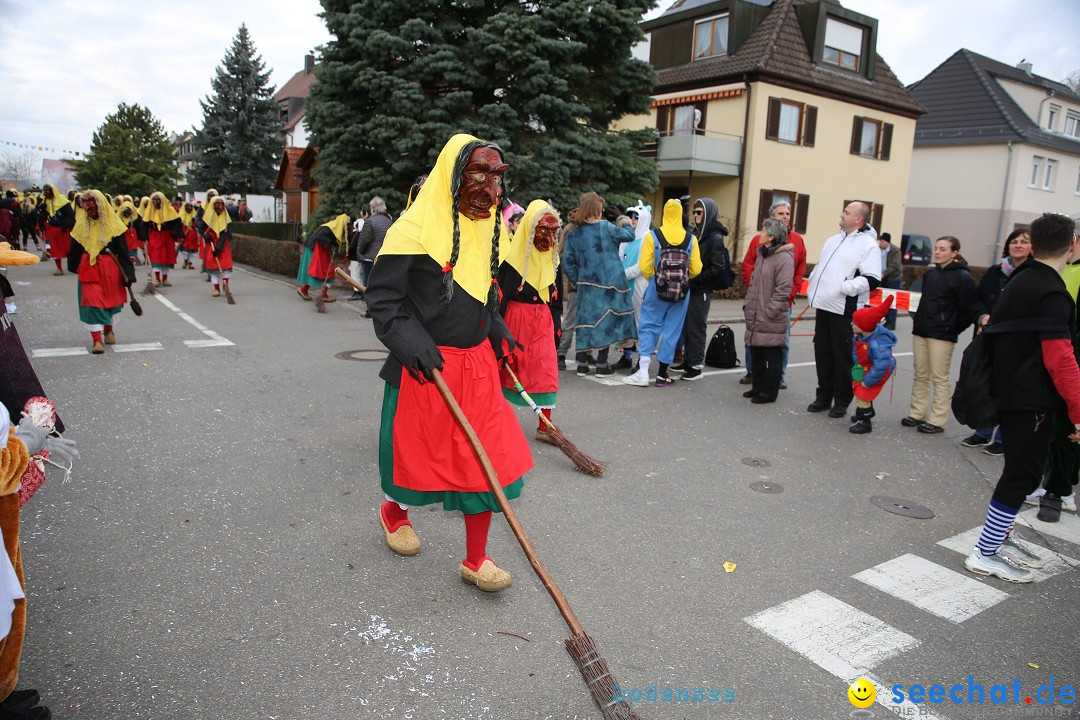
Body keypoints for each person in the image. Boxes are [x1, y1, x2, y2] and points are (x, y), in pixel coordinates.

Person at [365, 133, 532, 593]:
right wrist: (410, 342)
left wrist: (495, 329)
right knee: (412, 457)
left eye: (498, 177)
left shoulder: (487, 226)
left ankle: (476, 558)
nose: (492, 189)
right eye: (479, 174)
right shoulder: (412, 230)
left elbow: (484, 292)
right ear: (453, 175)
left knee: (485, 460)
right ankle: (393, 511)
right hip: (425, 368)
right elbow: (384, 301)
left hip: (475, 369)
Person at [964, 213, 1080, 583]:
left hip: (1012, 390)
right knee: (1022, 474)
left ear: (1032, 243)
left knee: (1020, 470)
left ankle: (1000, 537)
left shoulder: (1023, 278)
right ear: (1072, 242)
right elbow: (1061, 359)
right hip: (1029, 399)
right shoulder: (1051, 291)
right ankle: (986, 550)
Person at [901, 236, 987, 434]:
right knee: (920, 375)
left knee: (939, 378)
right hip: (921, 331)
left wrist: (952, 328)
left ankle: (937, 419)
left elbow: (969, 307)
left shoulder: (962, 277)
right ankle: (917, 413)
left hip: (942, 335)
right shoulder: (930, 274)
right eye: (937, 248)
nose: (937, 252)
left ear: (954, 253)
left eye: (943, 249)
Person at [805, 202, 881, 417]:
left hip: (844, 308)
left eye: (847, 212)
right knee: (823, 353)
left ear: (858, 219)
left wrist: (846, 288)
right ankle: (823, 395)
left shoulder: (868, 245)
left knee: (842, 356)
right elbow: (822, 266)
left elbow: (872, 278)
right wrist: (814, 282)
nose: (842, 214)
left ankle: (842, 399)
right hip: (824, 306)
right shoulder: (833, 240)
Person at [962, 229, 1033, 454]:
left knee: (1007, 390)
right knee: (984, 385)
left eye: (1024, 242)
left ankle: (1002, 438)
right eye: (1015, 241)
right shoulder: (995, 272)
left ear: (1033, 247)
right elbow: (975, 300)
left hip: (1013, 342)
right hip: (986, 338)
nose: (1018, 245)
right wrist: (982, 316)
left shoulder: (1032, 274)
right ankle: (982, 431)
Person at [496, 200, 562, 444]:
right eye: (542, 230)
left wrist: (556, 325)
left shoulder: (553, 261)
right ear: (530, 229)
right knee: (507, 371)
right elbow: (500, 300)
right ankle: (497, 422)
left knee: (545, 371)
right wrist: (497, 332)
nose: (547, 237)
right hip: (516, 321)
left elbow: (556, 299)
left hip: (543, 321)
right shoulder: (513, 263)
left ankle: (545, 424)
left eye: (552, 232)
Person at [623, 198, 701, 387]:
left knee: (648, 326)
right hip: (681, 292)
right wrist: (682, 277)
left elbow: (644, 266)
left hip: (656, 289)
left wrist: (655, 277)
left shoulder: (653, 236)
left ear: (665, 214)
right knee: (672, 330)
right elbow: (696, 268)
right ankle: (663, 374)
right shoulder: (691, 238)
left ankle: (642, 372)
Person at [563, 192, 637, 377]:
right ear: (597, 211)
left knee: (585, 322)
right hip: (610, 285)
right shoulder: (606, 227)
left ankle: (582, 364)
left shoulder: (574, 233)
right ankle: (602, 364)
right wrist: (622, 218)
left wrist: (577, 279)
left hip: (586, 285)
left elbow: (567, 262)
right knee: (607, 321)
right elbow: (629, 235)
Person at [741, 200, 807, 388]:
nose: (786, 216)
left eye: (787, 213)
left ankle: (779, 376)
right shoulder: (758, 240)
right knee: (753, 338)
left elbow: (799, 269)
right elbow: (748, 266)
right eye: (781, 214)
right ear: (772, 217)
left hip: (782, 301)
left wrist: (791, 293)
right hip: (759, 300)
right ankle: (752, 373)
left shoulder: (797, 241)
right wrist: (753, 289)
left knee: (780, 340)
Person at [67, 190, 137, 354]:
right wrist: (75, 264)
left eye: (91, 203)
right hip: (89, 267)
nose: (88, 207)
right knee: (92, 302)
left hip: (110, 267)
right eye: (85, 204)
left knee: (109, 301)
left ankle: (108, 329)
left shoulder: (115, 224)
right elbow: (75, 248)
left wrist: (128, 275)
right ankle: (97, 340)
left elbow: (124, 252)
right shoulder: (81, 225)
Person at [741, 217, 793, 403]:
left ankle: (768, 392)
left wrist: (769, 311)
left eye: (763, 231)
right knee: (757, 353)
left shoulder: (784, 258)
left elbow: (783, 289)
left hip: (770, 316)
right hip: (756, 313)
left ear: (772, 236)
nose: (760, 234)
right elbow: (755, 283)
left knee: (772, 355)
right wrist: (749, 306)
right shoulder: (763, 254)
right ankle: (757, 386)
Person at [678, 198, 729, 381]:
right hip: (692, 287)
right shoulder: (697, 233)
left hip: (702, 289)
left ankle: (696, 365)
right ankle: (688, 360)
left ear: (708, 213)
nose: (696, 215)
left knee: (696, 327)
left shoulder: (714, 237)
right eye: (695, 212)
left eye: (700, 212)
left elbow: (717, 267)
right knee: (687, 326)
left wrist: (696, 279)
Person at [848, 297, 897, 434]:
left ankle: (865, 422)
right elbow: (856, 351)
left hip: (877, 371)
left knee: (863, 393)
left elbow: (881, 366)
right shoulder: (860, 335)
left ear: (864, 326)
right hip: (865, 367)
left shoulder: (878, 344)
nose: (851, 324)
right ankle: (864, 411)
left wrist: (868, 381)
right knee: (858, 389)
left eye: (855, 322)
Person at [613, 201, 652, 371]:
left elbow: (643, 266)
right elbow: (619, 257)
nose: (633, 219)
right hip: (623, 286)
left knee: (639, 323)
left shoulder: (647, 238)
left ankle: (641, 361)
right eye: (630, 216)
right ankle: (627, 356)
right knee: (624, 321)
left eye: (636, 216)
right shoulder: (626, 238)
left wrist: (623, 273)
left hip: (639, 285)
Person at [297, 214, 350, 304]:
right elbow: (320, 237)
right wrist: (330, 242)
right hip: (316, 249)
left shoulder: (332, 226)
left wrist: (333, 242)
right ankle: (317, 293)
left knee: (322, 271)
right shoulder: (330, 228)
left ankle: (307, 290)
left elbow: (325, 237)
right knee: (321, 271)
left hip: (317, 248)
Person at [357, 196, 393, 314]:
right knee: (382, 284)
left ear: (373, 209)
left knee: (369, 284)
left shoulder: (370, 221)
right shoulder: (390, 221)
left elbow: (365, 240)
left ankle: (369, 310)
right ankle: (382, 309)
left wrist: (361, 252)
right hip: (385, 258)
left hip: (370, 258)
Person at [143, 192, 183, 287]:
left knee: (166, 257)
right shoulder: (150, 212)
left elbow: (178, 223)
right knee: (156, 256)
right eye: (154, 200)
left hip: (167, 237)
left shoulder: (170, 211)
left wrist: (174, 232)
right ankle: (157, 278)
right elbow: (144, 225)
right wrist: (144, 236)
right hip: (155, 236)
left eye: (158, 200)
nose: (156, 202)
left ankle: (165, 278)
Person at [199, 196, 234, 298]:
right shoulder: (206, 218)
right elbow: (200, 228)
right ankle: (216, 288)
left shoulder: (226, 219)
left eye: (221, 205)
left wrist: (219, 247)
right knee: (214, 267)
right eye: (217, 205)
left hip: (222, 246)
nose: (219, 207)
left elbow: (225, 234)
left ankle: (225, 285)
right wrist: (206, 236)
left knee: (225, 266)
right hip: (211, 244)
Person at [39, 184, 74, 276]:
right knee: (55, 250)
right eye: (45, 191)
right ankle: (59, 268)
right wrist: (42, 211)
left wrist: (66, 225)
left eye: (48, 190)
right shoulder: (46, 202)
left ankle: (75, 265)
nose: (46, 193)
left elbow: (70, 215)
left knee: (68, 249)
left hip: (63, 230)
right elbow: (43, 216)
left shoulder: (63, 202)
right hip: (52, 229)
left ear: (53, 191)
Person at [878, 232, 903, 330]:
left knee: (892, 300)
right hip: (882, 278)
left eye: (882, 241)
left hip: (893, 278)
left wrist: (883, 273)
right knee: (882, 300)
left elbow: (894, 265)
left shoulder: (895, 251)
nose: (880, 243)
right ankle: (884, 319)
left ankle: (891, 322)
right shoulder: (878, 250)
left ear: (887, 242)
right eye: (879, 241)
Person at [347, 209, 369, 300]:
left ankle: (357, 292)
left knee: (355, 274)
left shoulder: (358, 234)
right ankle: (361, 292)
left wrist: (349, 253)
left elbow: (353, 246)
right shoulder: (365, 232)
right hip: (362, 257)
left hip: (356, 257)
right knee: (361, 273)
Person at [177, 201, 201, 270]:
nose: (189, 208)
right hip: (184, 234)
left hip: (192, 234)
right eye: (187, 207)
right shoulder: (181, 215)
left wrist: (194, 223)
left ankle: (190, 263)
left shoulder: (194, 215)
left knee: (193, 249)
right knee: (185, 249)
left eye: (190, 207)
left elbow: (198, 224)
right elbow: (179, 224)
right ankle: (185, 261)